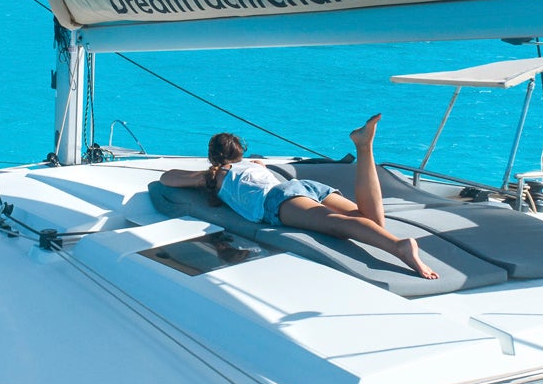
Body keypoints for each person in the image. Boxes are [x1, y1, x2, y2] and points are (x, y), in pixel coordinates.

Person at [160, 114, 439, 279]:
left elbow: (167, 178)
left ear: (214, 156)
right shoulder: (256, 165)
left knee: (337, 225)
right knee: (373, 220)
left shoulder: (217, 175)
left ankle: (400, 248)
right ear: (240, 152)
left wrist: (206, 175)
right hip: (301, 186)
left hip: (276, 200)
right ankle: (364, 148)